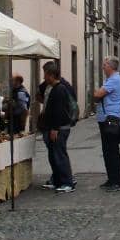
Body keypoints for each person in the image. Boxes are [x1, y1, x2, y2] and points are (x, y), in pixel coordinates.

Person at [38, 62, 76, 193]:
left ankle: (67, 182)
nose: (44, 77)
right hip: (54, 127)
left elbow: (58, 111)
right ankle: (58, 180)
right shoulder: (53, 88)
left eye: (45, 74)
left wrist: (55, 129)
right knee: (54, 155)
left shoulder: (59, 89)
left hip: (59, 128)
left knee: (60, 155)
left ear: (51, 75)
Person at [94, 56, 120, 192]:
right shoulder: (112, 80)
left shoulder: (113, 80)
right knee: (108, 151)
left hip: (110, 119)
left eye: (104, 64)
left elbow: (97, 94)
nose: (103, 67)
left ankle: (116, 181)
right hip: (108, 118)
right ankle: (112, 178)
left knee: (111, 150)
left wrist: (97, 93)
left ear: (111, 67)